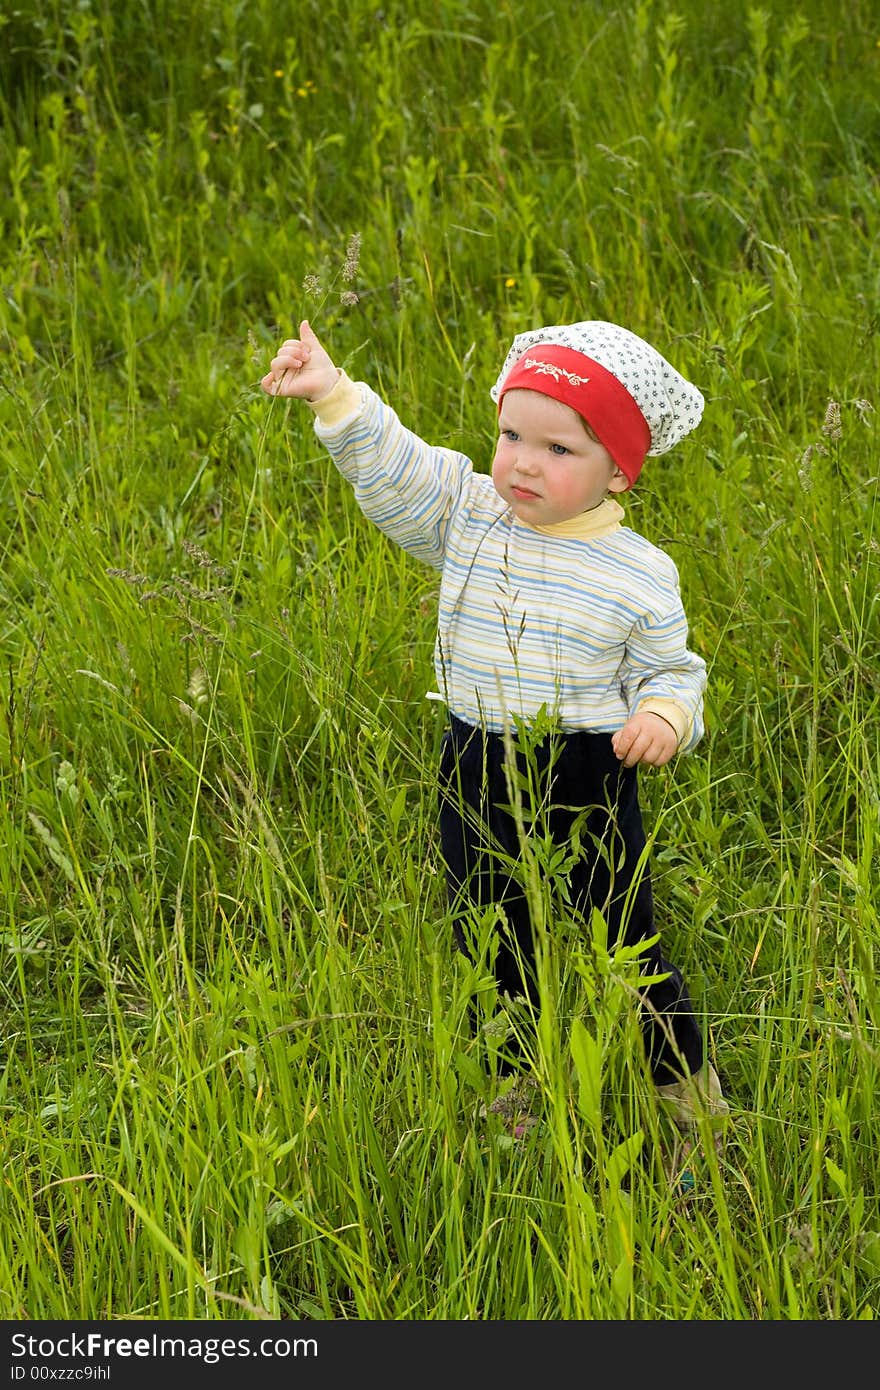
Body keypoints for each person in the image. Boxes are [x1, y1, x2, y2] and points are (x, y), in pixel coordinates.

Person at [261, 316, 728, 1165]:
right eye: (511, 433)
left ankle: (687, 1102)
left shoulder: (639, 571)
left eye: (557, 449)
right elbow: (400, 466)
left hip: (587, 772)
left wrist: (662, 717)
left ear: (618, 469)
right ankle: (512, 1099)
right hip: (475, 764)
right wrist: (333, 395)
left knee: (622, 938)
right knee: (490, 937)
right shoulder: (473, 516)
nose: (520, 461)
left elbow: (673, 670)